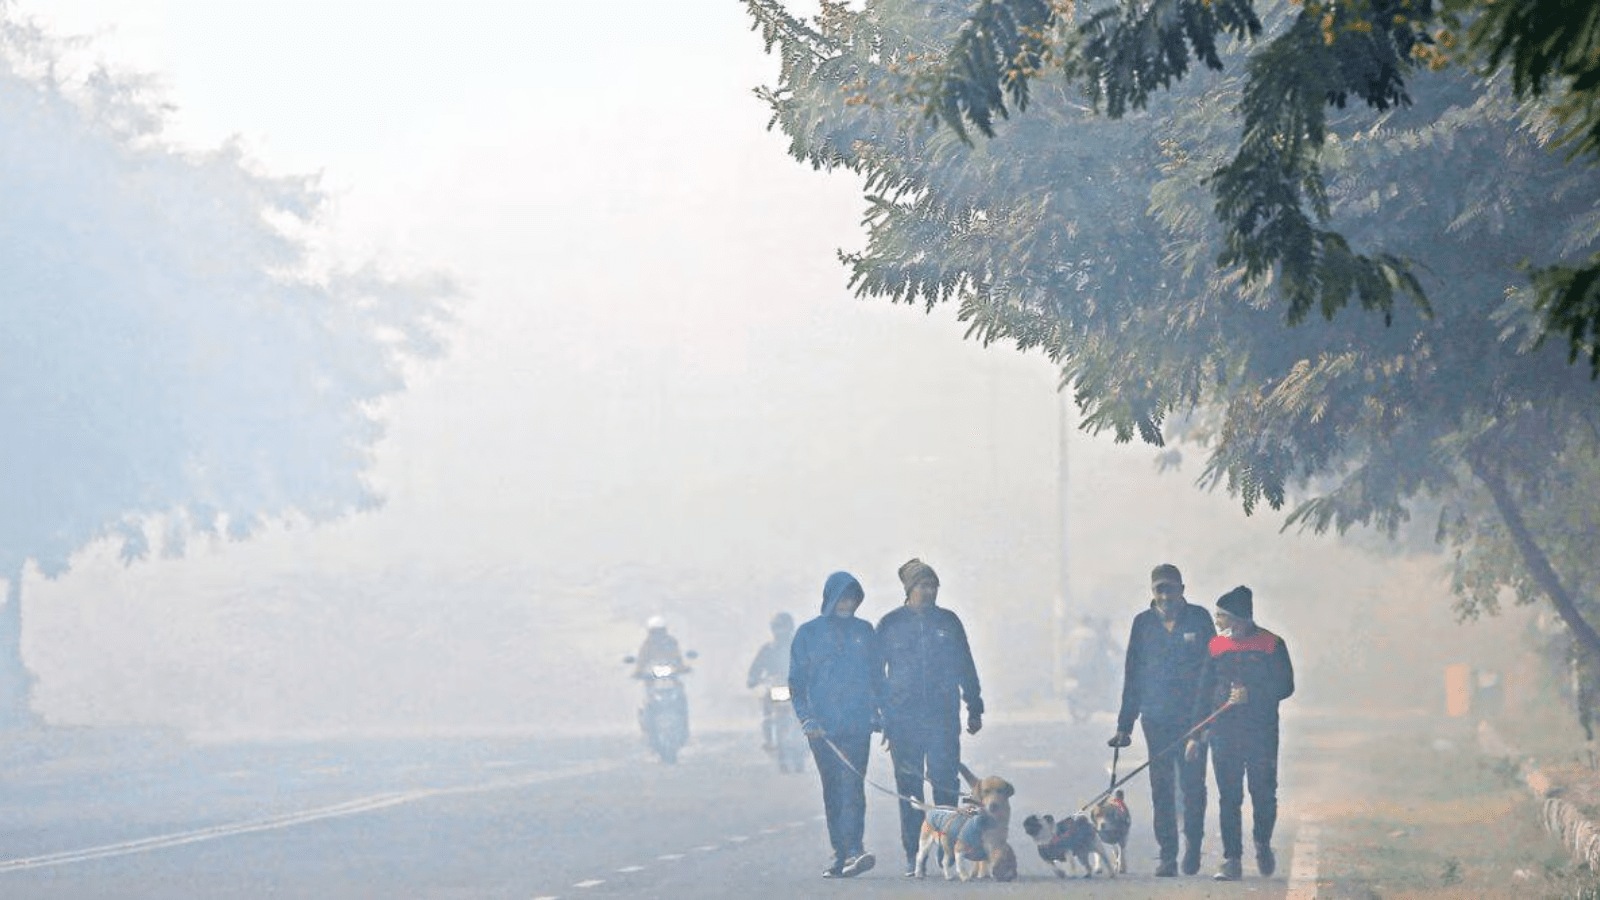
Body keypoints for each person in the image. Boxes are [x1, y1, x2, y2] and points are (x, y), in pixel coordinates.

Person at [877, 558, 985, 877]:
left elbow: (966, 665)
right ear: (909, 590)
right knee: (910, 791)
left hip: (943, 716)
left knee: (944, 786)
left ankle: (948, 852)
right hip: (902, 719)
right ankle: (914, 853)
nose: (929, 591)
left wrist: (975, 706)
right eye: (923, 585)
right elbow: (873, 673)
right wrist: (881, 713)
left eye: (933, 586)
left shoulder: (949, 622)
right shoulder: (890, 624)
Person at [1109, 563, 1216, 877]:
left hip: (1194, 720)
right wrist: (1124, 726)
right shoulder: (1142, 624)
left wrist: (1206, 721)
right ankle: (1168, 854)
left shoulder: (1199, 618)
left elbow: (1211, 672)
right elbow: (1133, 675)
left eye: (1171, 588)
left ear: (1182, 589)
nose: (1165, 595)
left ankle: (1193, 847)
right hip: (1155, 719)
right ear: (1152, 592)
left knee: (1193, 786)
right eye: (1160, 589)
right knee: (1162, 787)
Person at [1185, 586, 1295, 881]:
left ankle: (1262, 841)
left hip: (1261, 731)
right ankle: (1231, 858)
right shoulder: (1216, 647)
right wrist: (1195, 734)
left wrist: (1254, 694)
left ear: (1239, 619)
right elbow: (1203, 692)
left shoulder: (1272, 644)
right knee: (1229, 796)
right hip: (1224, 732)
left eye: (1221, 616)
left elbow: (1286, 686)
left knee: (1263, 793)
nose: (1217, 622)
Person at [789, 571, 882, 879]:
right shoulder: (808, 634)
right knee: (833, 789)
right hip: (822, 730)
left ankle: (855, 849)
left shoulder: (865, 631)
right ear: (830, 597)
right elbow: (797, 683)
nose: (848, 603)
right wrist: (807, 718)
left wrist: (878, 713)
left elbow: (876, 678)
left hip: (857, 724)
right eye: (842, 597)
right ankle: (840, 854)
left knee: (853, 786)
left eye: (853, 598)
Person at [747, 611, 796, 751]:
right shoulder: (767, 649)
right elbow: (755, 668)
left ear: (790, 628)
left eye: (783, 627)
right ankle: (768, 738)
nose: (780, 631)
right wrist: (752, 679)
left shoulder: (799, 646)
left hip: (797, 687)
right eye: (777, 627)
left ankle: (807, 738)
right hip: (776, 687)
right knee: (767, 712)